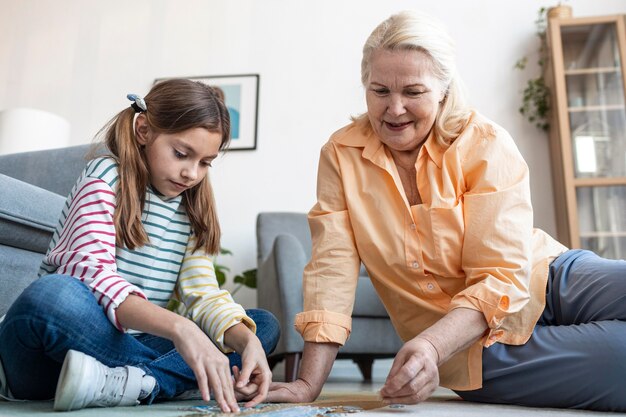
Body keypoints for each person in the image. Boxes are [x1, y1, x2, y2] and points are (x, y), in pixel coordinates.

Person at [267, 10, 626, 412]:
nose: (395, 108)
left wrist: (429, 345)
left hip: (549, 276)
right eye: (380, 90)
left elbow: (503, 272)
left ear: (443, 90)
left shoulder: (483, 141)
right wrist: (306, 384)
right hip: (468, 347)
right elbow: (331, 268)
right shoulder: (340, 155)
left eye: (413, 92)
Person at [0, 79, 279, 413]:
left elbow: (204, 296)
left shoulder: (191, 209)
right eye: (181, 154)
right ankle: (161, 380)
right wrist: (182, 329)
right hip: (47, 356)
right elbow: (90, 277)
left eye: (205, 162)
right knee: (52, 293)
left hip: (122, 348)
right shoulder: (105, 175)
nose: (191, 173)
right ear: (144, 130)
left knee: (260, 327)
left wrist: (246, 342)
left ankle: (133, 382)